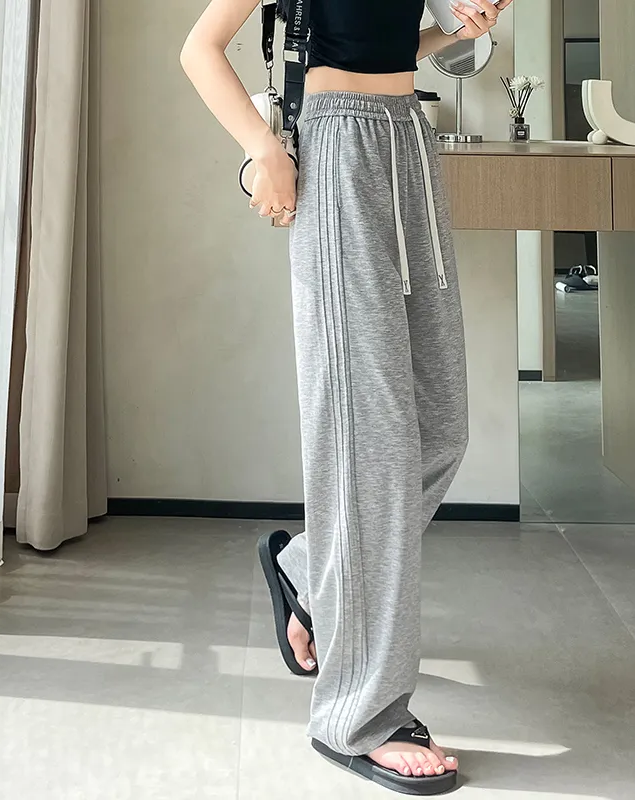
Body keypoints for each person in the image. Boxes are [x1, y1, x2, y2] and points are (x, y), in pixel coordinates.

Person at [181, 0, 508, 793]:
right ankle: (360, 717)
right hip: (336, 146)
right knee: (373, 445)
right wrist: (264, 148)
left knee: (441, 428)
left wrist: (455, 32)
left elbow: (392, 42)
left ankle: (306, 569)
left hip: (409, 141)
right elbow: (200, 49)